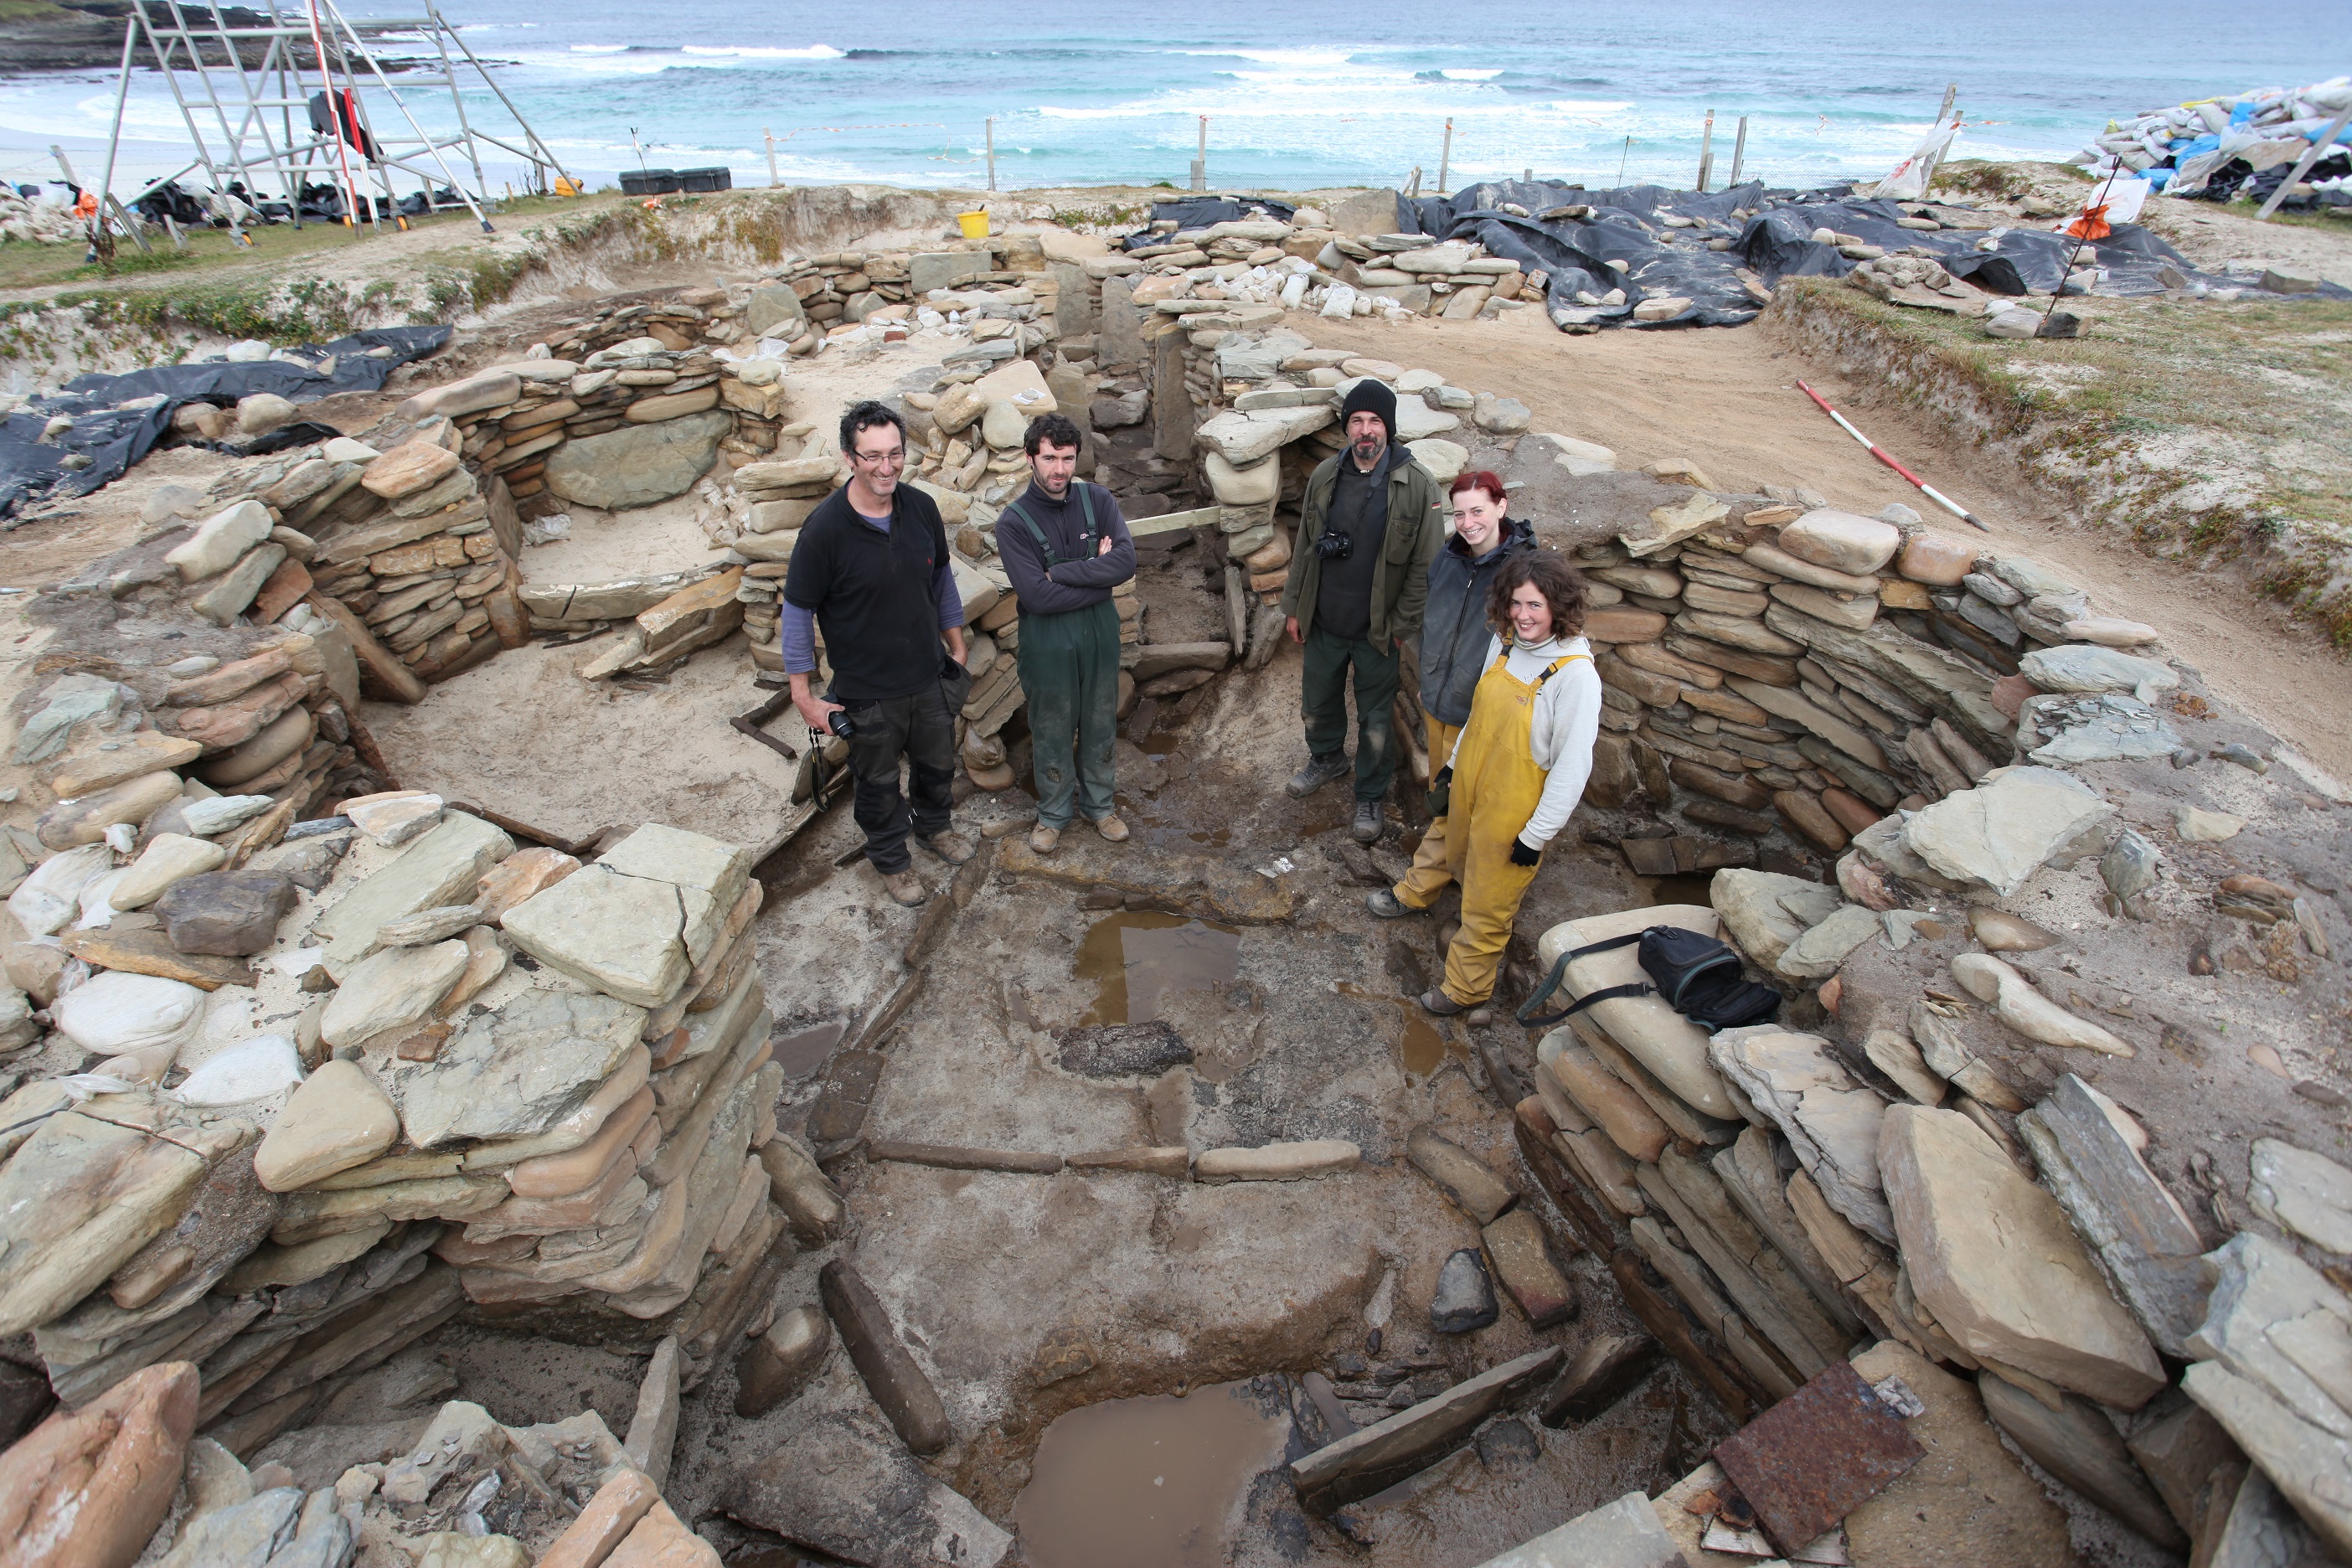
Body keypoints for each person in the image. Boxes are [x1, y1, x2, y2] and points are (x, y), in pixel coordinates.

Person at [782, 400, 973, 909]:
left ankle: (936, 828)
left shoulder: (922, 509)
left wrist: (955, 643)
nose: (886, 467)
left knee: (937, 766)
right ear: (849, 457)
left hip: (928, 675)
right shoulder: (824, 531)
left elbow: (939, 578)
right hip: (867, 692)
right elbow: (798, 613)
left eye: (895, 454)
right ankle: (891, 858)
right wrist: (803, 695)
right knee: (878, 783)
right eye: (872, 456)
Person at [1417, 550, 1601, 1017]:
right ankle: (1427, 900)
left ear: (1559, 607)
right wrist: (1454, 766)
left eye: (1536, 606)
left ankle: (1466, 989)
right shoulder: (1504, 644)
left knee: (1489, 901)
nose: (1523, 616)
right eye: (1516, 604)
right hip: (1473, 780)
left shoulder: (1575, 675)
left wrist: (1535, 836)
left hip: (1515, 806)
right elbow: (1478, 717)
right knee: (1457, 856)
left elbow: (1572, 767)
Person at [1277, 377, 1446, 843]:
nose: (1366, 430)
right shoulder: (1325, 476)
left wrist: (1401, 626)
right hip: (1325, 618)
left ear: (1388, 429)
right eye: (1357, 421)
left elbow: (1425, 565)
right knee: (1318, 702)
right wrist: (1295, 607)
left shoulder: (1417, 485)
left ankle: (1369, 793)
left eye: (1375, 421)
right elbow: (1306, 547)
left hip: (1378, 630)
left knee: (1375, 719)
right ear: (1346, 428)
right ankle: (1328, 758)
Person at [1368, 470, 1534, 921]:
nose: (1467, 522)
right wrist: (1430, 676)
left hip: (1482, 719)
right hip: (1439, 704)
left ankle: (1417, 891)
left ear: (1502, 507)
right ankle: (1461, 871)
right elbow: (1434, 624)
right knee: (1450, 800)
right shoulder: (1449, 558)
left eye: (1478, 510)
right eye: (1459, 512)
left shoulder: (1522, 575)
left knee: (1453, 805)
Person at [995, 411, 1138, 854]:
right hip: (1047, 639)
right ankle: (1053, 814)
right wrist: (1097, 578)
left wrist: (1061, 573)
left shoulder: (1098, 500)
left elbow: (1126, 562)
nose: (1059, 470)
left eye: (1068, 459)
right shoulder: (1013, 522)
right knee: (1052, 725)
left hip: (1099, 631)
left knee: (1099, 717)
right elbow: (1036, 598)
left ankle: (1100, 806)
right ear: (1030, 459)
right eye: (1050, 458)